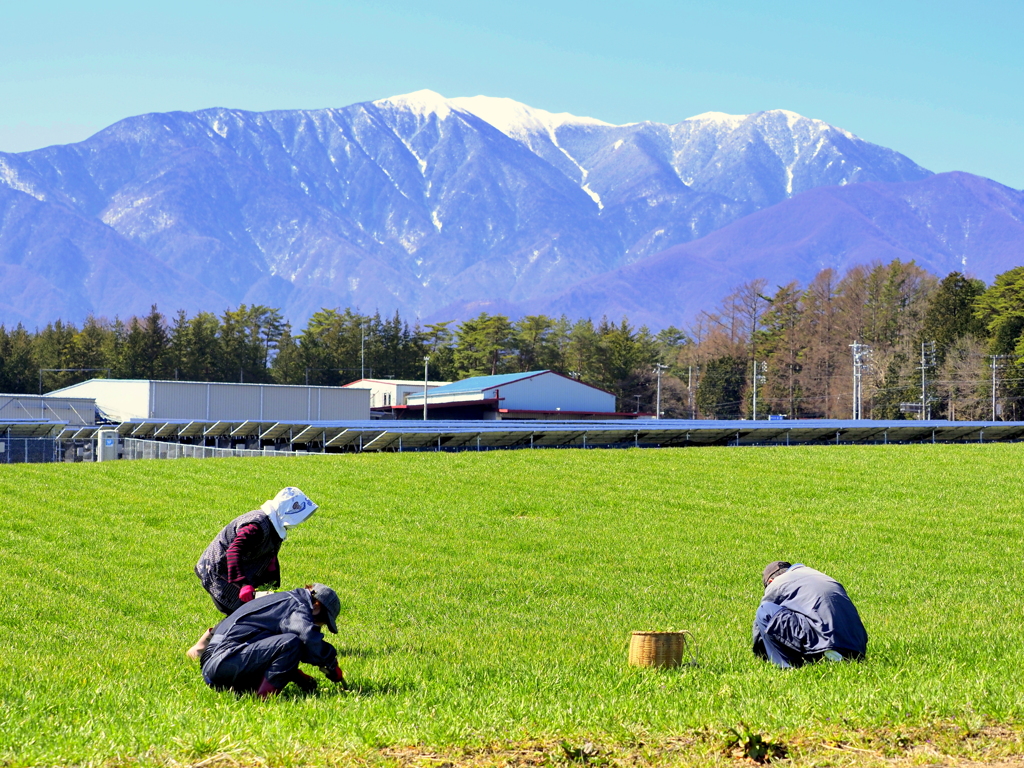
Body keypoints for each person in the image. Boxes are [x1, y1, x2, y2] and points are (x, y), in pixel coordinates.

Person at [187, 487, 318, 660]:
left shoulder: (273, 526)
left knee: (250, 612)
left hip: (230, 574)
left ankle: (210, 645)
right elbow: (234, 551)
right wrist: (243, 584)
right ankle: (205, 648)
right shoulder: (256, 526)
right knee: (245, 613)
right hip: (219, 574)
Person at [200, 584, 347, 698]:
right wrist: (330, 663)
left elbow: (266, 649)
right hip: (222, 661)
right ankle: (264, 701)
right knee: (292, 642)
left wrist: (296, 676)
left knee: (288, 643)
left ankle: (252, 691)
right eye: (322, 622)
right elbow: (307, 637)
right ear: (316, 606)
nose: (318, 626)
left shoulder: (284, 600)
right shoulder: (298, 606)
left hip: (217, 663)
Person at [752, 561, 868, 669]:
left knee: (765, 611)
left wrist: (760, 654)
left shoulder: (777, 583)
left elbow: (760, 627)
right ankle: (837, 655)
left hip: (825, 644)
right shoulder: (816, 575)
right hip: (856, 646)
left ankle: (787, 666)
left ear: (770, 581)